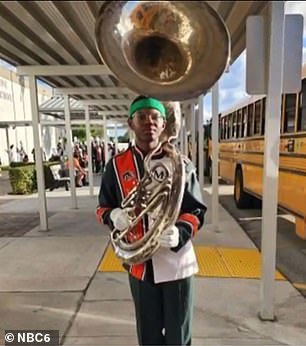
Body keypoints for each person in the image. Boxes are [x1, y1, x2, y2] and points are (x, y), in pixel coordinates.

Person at [96, 95, 206, 345]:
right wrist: (113, 215)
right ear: (130, 123)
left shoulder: (181, 164)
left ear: (163, 124)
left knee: (179, 338)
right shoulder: (115, 166)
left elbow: (197, 211)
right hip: (139, 266)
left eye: (155, 117)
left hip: (177, 263)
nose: (149, 122)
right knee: (148, 338)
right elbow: (102, 208)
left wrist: (180, 232)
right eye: (142, 117)